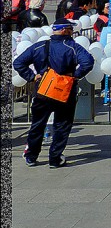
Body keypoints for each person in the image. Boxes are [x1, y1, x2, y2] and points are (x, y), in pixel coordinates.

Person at [14, 19, 95, 168]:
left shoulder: (39, 46)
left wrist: (32, 76)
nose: (72, 32)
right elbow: (88, 62)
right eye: (70, 29)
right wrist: (75, 75)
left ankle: (31, 156)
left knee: (37, 124)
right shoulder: (71, 46)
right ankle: (55, 158)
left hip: (42, 90)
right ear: (65, 30)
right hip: (64, 90)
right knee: (62, 125)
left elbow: (18, 62)